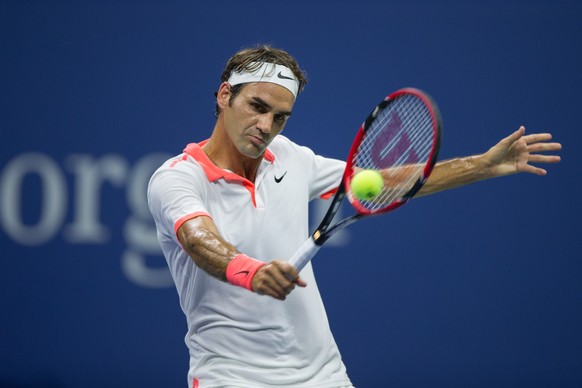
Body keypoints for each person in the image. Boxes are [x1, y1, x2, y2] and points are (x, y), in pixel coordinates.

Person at [147, 45, 561, 388]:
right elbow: (199, 240)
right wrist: (250, 272)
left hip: (324, 374)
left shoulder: (290, 156)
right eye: (256, 106)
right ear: (224, 96)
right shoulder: (177, 179)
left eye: (279, 116)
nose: (265, 125)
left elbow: (383, 182)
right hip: (231, 376)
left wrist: (483, 165)